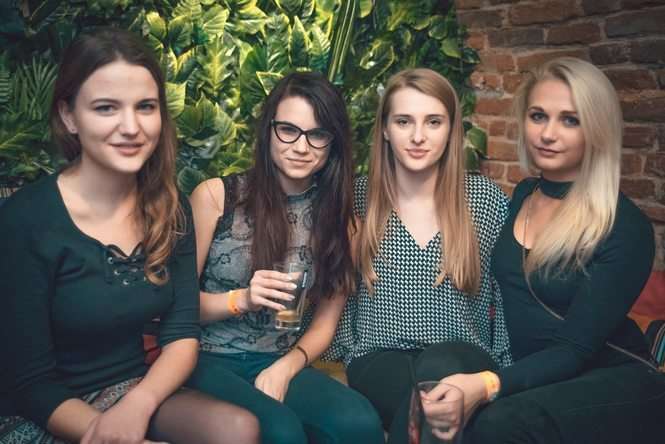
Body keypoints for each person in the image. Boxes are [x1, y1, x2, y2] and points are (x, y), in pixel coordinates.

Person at [0, 28, 259, 444]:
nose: (131, 127)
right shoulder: (25, 220)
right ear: (69, 116)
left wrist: (138, 404)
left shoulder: (170, 208)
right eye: (106, 108)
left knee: (237, 429)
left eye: (146, 107)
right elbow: (30, 383)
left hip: (132, 387)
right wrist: (114, 435)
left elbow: (181, 335)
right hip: (41, 410)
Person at [424, 57, 665, 444]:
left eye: (570, 120)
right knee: (437, 375)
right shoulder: (524, 194)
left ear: (597, 130)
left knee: (500, 421)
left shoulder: (624, 227)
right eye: (538, 116)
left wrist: (487, 384)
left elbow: (573, 351)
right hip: (534, 371)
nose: (548, 134)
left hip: (612, 378)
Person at [186, 71, 385, 444]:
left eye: (317, 134)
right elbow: (176, 309)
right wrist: (242, 299)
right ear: (269, 130)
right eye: (289, 130)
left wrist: (287, 366)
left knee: (360, 422)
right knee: (282, 432)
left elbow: (324, 324)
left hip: (277, 357)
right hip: (206, 359)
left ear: (333, 143)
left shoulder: (344, 225)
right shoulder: (216, 197)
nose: (301, 146)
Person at [324, 67, 513, 439]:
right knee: (431, 398)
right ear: (384, 129)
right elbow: (334, 289)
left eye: (433, 122)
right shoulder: (358, 199)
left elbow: (506, 294)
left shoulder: (484, 200)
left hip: (464, 356)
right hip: (379, 359)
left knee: (438, 374)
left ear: (451, 129)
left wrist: (506, 374)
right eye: (403, 121)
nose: (417, 137)